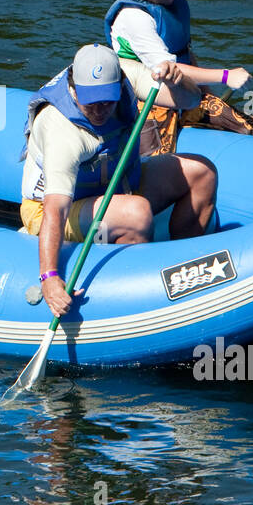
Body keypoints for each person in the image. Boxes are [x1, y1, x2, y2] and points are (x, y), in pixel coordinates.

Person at [21, 44, 218, 318]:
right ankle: (137, 296)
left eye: (107, 100)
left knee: (202, 173)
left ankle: (182, 263)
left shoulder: (127, 76)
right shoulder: (62, 130)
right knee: (136, 213)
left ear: (119, 84)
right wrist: (50, 277)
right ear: (74, 89)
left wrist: (179, 81)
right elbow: (56, 210)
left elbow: (191, 101)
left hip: (117, 184)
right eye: (91, 102)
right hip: (53, 209)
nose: (100, 110)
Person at [105, 0, 253, 148]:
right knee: (160, 161)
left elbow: (184, 52)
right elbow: (170, 68)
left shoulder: (170, 3)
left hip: (186, 90)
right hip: (150, 98)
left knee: (250, 127)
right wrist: (225, 76)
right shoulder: (133, 18)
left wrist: (207, 94)